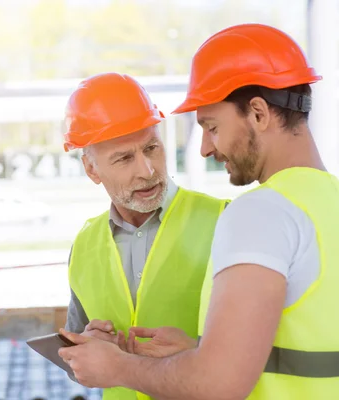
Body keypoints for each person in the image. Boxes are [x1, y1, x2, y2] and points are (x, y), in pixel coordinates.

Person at [59, 23, 339, 400]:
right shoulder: (326, 200)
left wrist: (117, 366)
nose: (206, 148)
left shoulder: (254, 214)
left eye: (211, 126)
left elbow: (219, 382)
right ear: (91, 169)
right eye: (124, 158)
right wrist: (196, 349)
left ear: (258, 114)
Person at [61, 72, 227, 399]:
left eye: (151, 148)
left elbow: (260, 349)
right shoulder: (85, 244)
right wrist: (89, 347)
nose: (148, 170)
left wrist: (196, 350)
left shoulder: (223, 220)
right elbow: (74, 359)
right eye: (124, 158)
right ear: (92, 169)